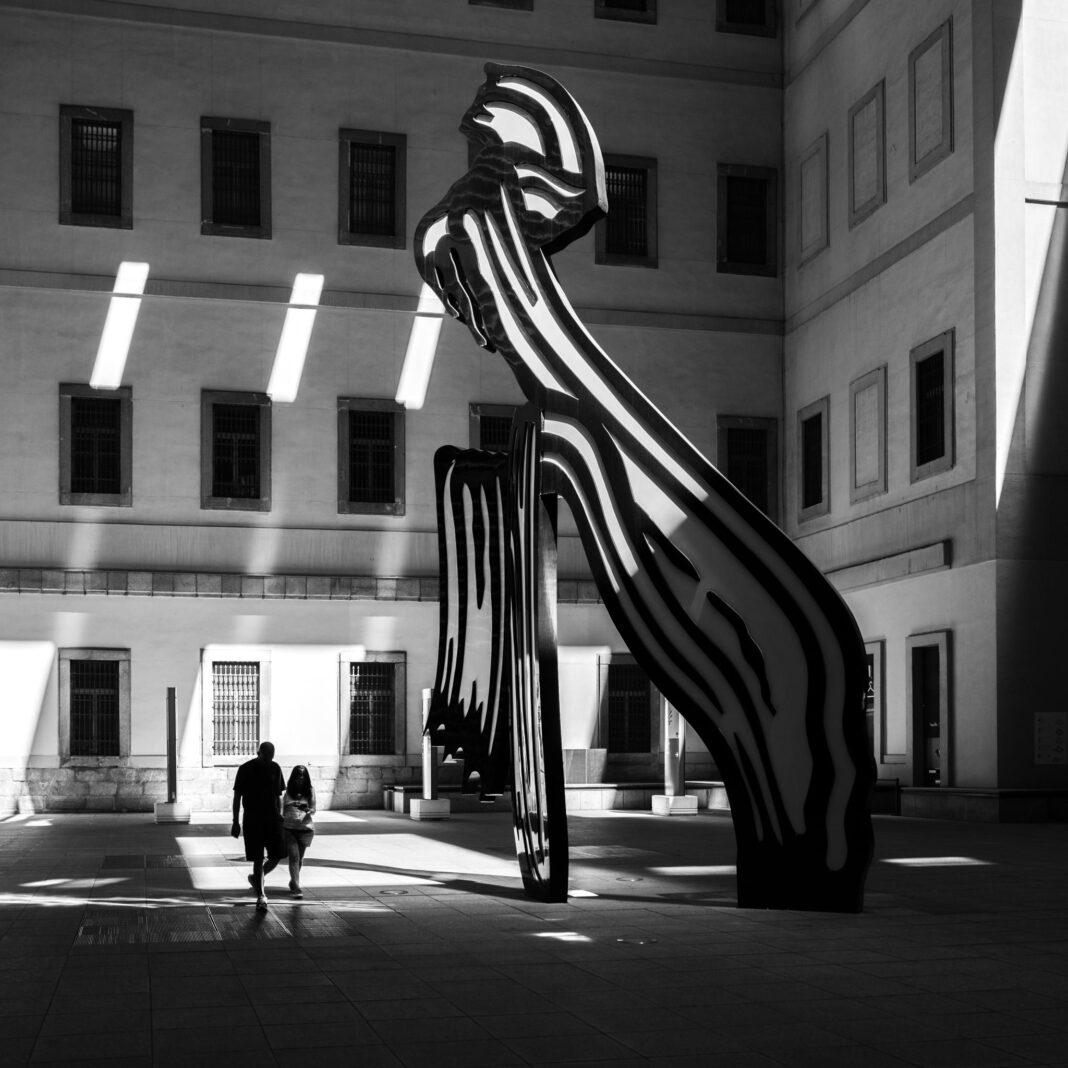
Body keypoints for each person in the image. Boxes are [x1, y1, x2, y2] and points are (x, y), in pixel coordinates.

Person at [231, 740, 285, 910]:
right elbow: (237, 797)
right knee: (257, 858)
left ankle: (257, 878)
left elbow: (278, 796)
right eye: (266, 756)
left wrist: (280, 816)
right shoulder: (245, 769)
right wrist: (235, 822)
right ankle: (261, 896)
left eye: (271, 756)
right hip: (253, 819)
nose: (268, 759)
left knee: (277, 854)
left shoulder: (275, 768)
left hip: (272, 818)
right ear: (258, 752)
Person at [282, 765, 316, 899]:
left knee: (299, 859)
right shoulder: (288, 790)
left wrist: (307, 809)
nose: (300, 778)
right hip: (289, 828)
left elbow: (313, 809)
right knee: (294, 857)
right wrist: (291, 804)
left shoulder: (310, 790)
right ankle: (296, 887)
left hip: (305, 828)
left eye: (302, 775)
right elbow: (282, 808)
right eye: (298, 775)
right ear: (293, 776)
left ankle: (293, 881)